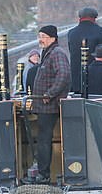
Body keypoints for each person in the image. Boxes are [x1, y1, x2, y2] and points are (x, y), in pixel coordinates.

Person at [29, 25, 71, 184]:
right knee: (42, 139)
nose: (41, 39)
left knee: (44, 139)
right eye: (39, 35)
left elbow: (64, 74)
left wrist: (50, 94)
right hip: (43, 106)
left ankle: (43, 174)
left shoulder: (57, 53)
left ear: (53, 38)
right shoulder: (48, 53)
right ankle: (42, 172)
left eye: (44, 36)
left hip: (49, 106)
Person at [67, 7, 102, 94]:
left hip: (76, 79)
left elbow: (71, 52)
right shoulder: (100, 31)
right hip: (96, 78)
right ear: (94, 18)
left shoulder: (71, 33)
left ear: (80, 18)